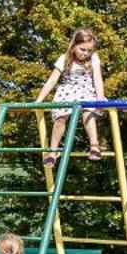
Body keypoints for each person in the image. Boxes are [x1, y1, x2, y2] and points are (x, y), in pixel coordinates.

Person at [36, 28, 106, 165]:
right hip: (67, 92)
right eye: (82, 49)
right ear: (74, 45)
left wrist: (100, 98)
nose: (86, 53)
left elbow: (98, 79)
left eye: (89, 51)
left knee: (88, 111)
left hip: (86, 91)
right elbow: (52, 80)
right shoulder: (64, 59)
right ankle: (52, 151)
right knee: (60, 117)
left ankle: (94, 145)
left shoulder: (94, 59)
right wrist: (38, 100)